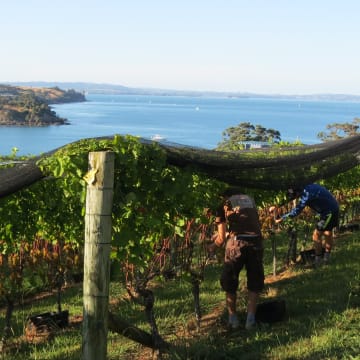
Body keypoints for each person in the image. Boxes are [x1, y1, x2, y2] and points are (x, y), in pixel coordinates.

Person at [210, 192, 264, 330]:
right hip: (256, 242)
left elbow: (221, 239)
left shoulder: (224, 203)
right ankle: (250, 320)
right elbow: (249, 225)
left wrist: (212, 247)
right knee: (255, 280)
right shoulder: (250, 199)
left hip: (237, 244)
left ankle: (233, 320)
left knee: (230, 280)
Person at [272, 183, 339, 265]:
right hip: (332, 208)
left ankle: (318, 260)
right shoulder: (308, 186)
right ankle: (326, 258)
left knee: (316, 235)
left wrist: (282, 218)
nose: (296, 198)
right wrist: (277, 206)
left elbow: (296, 211)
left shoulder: (307, 195)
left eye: (295, 196)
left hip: (328, 213)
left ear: (297, 192)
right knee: (327, 233)